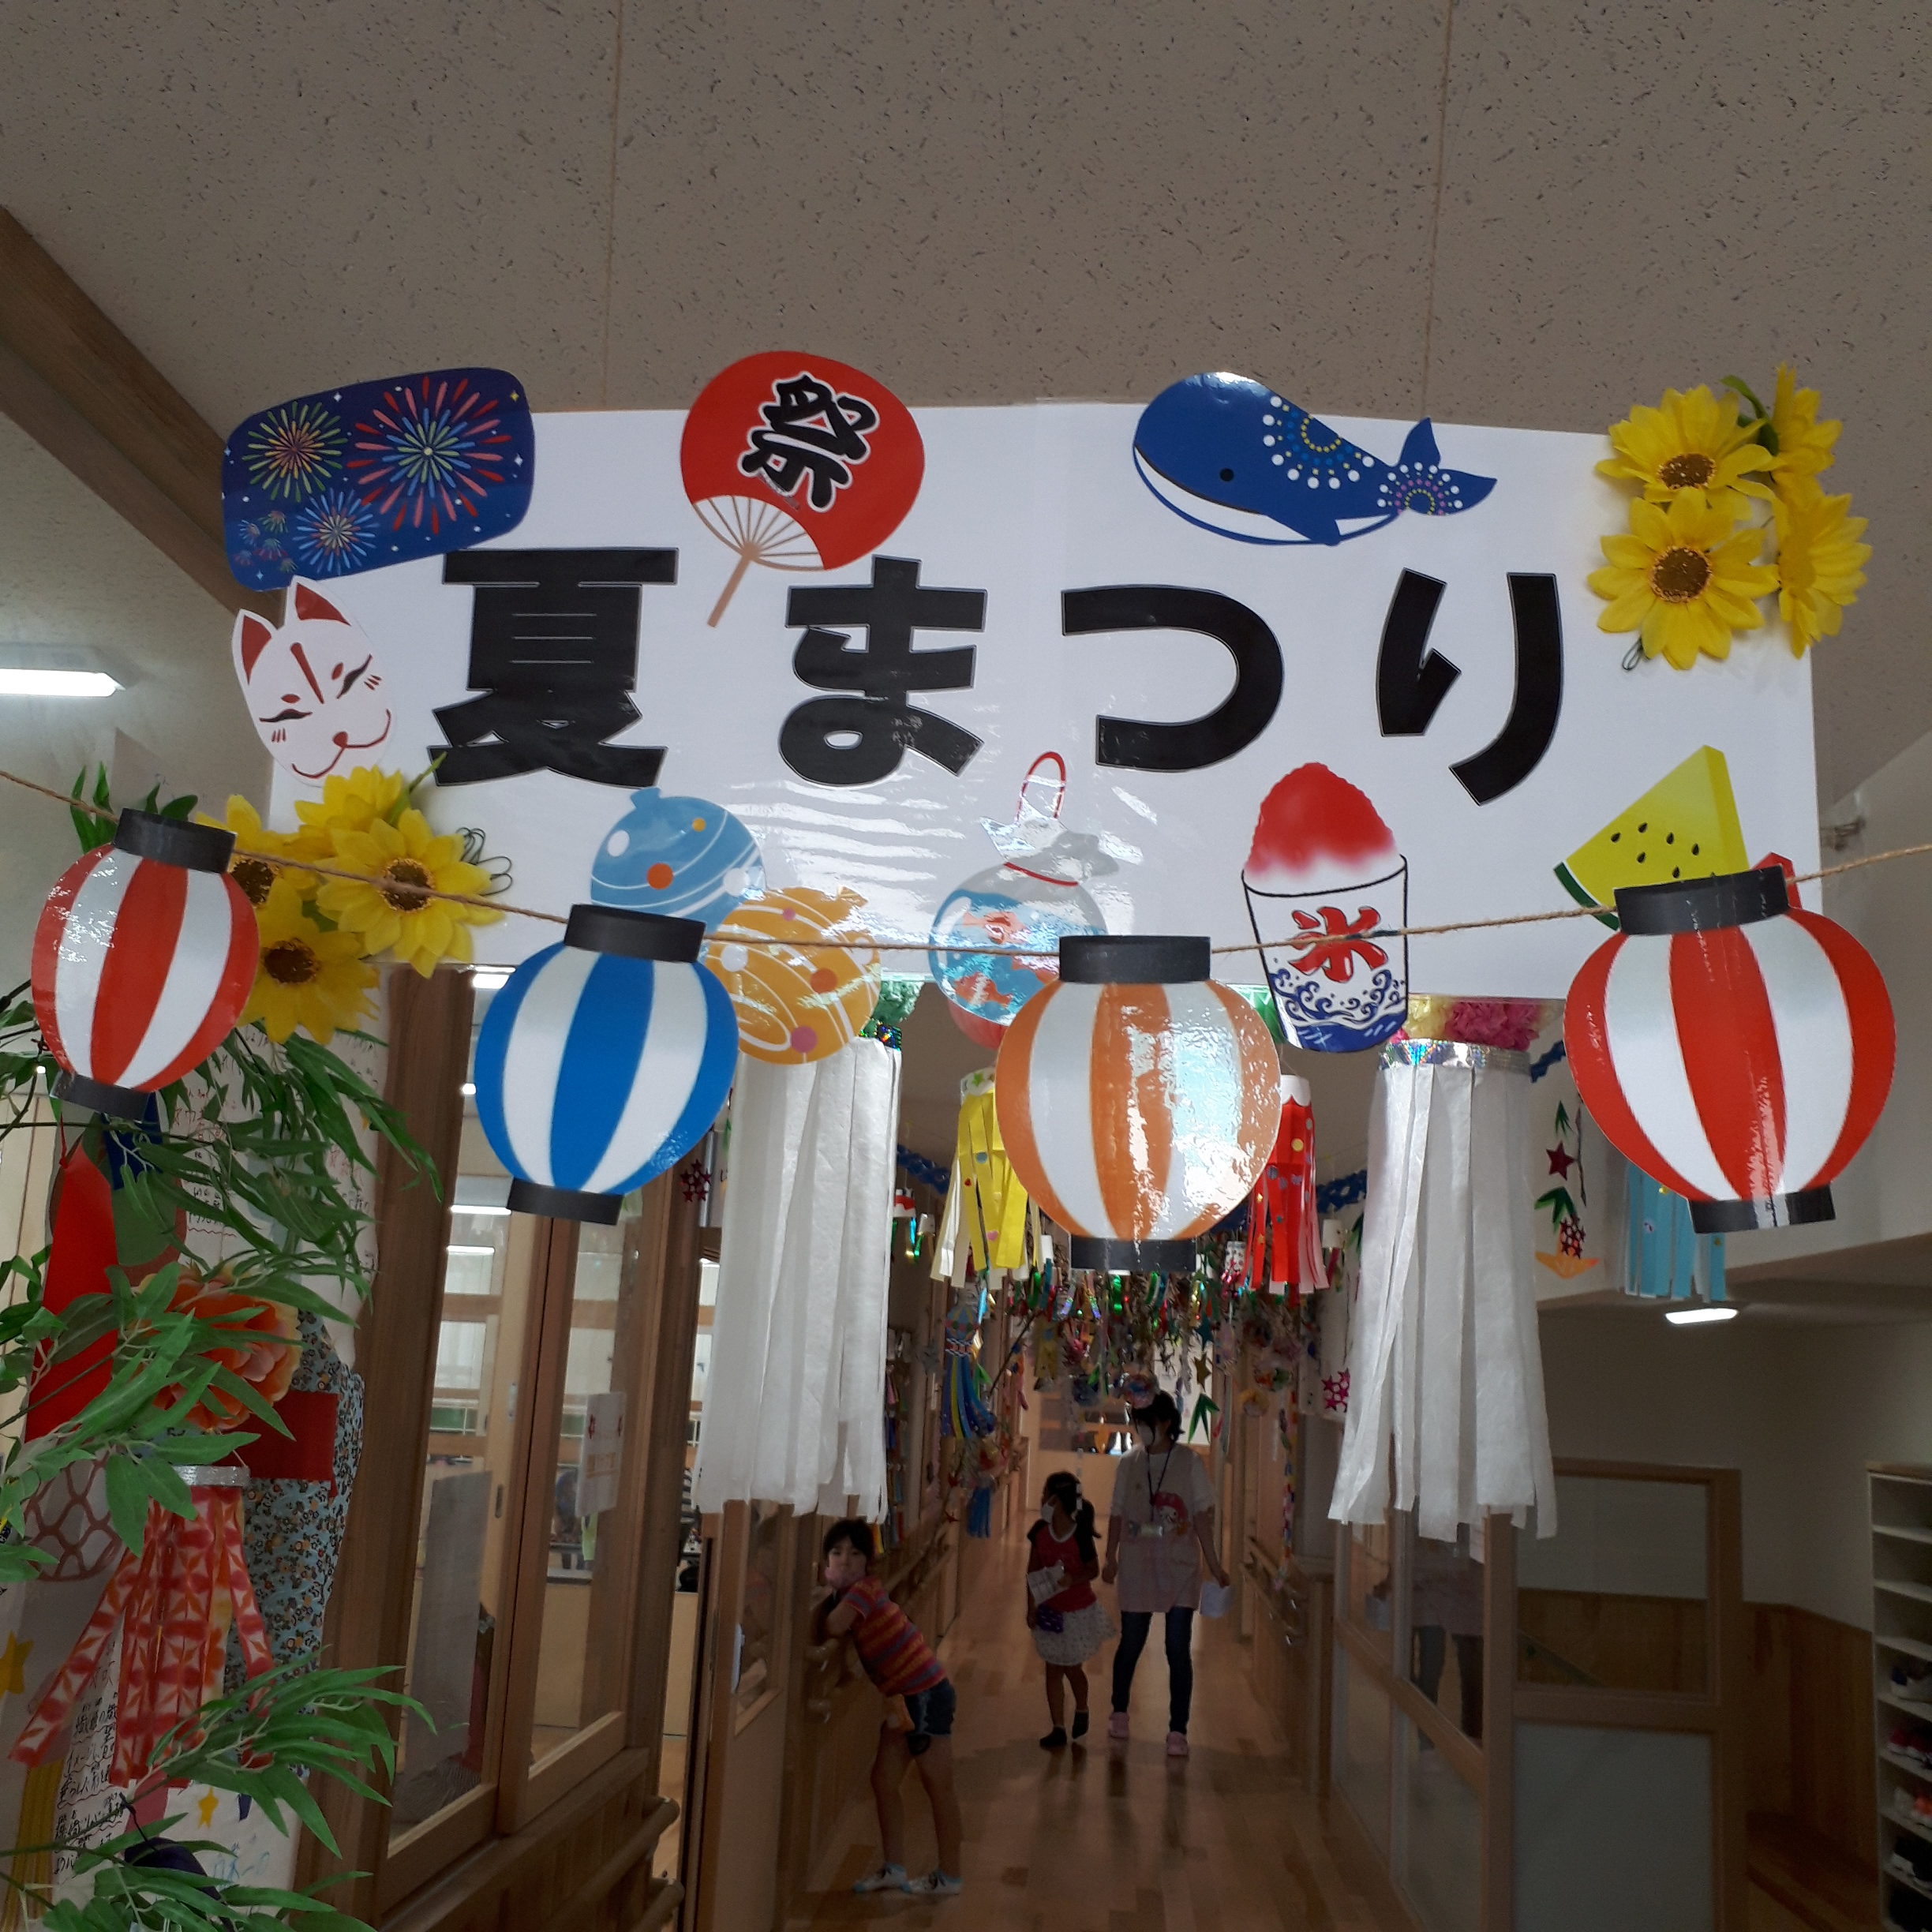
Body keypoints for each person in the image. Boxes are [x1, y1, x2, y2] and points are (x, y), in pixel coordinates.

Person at [820, 1519, 964, 1898]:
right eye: (837, 1553)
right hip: (905, 1699)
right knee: (883, 1780)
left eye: (855, 1554)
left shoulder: (862, 1591)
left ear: (868, 1562)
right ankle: (895, 1868)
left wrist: (831, 1585)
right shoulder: (855, 1592)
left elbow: (835, 1626)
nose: (845, 1561)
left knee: (939, 1788)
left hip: (926, 1693)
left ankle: (950, 1875)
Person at [1101, 1390, 1229, 1758]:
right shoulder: (1129, 1464)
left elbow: (1202, 1517)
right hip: (1138, 1567)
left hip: (1180, 1569)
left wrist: (1215, 1565)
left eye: (1148, 1423)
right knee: (1131, 1643)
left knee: (1177, 1648)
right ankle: (1119, 1710)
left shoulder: (1189, 1463)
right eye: (1138, 1423)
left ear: (1167, 1424)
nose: (1142, 1429)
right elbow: (1117, 1514)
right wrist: (1110, 1558)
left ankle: (1177, 1729)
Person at [1024, 1470, 1115, 1749]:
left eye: (1045, 1494)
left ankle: (1082, 1708)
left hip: (1076, 1611)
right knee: (1052, 1668)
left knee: (1072, 1668)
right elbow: (1033, 1570)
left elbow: (1092, 1570)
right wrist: (1031, 1606)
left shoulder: (1080, 1535)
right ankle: (1058, 1728)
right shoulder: (1040, 1531)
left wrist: (1072, 1579)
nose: (1042, 1500)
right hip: (1050, 1610)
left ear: (1056, 1499)